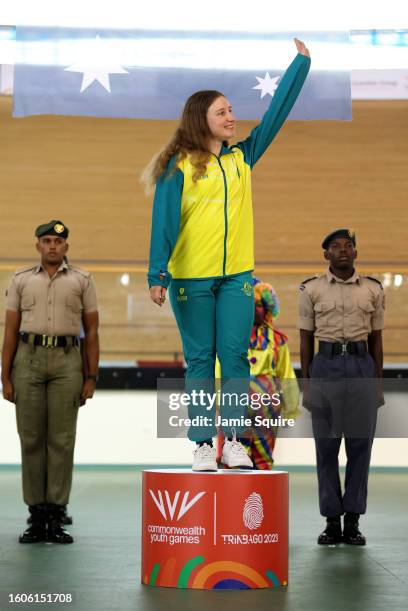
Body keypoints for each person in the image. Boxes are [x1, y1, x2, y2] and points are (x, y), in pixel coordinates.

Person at [145, 38, 311, 471]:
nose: (232, 117)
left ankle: (233, 440)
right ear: (201, 119)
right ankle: (202, 443)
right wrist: (157, 274)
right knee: (200, 359)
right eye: (222, 112)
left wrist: (300, 65)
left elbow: (275, 115)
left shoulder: (242, 159)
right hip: (190, 280)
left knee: (234, 357)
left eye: (232, 110)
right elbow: (163, 221)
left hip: (237, 278)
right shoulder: (177, 165)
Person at [1, 220, 99, 544]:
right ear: (38, 246)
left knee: (61, 439)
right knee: (30, 438)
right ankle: (36, 514)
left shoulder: (83, 280)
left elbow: (93, 333)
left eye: (58, 241)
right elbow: (10, 331)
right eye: (47, 240)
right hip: (27, 361)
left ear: (66, 247)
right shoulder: (20, 280)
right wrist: (5, 376)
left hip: (67, 363)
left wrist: (90, 376)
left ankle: (56, 512)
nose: (53, 246)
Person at [298, 229, 384, 546]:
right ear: (326, 255)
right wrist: (307, 385)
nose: (343, 250)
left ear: (356, 254)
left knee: (361, 449)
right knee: (327, 448)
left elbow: (377, 339)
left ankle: (353, 522)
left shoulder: (373, 289)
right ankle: (332, 522)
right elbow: (305, 339)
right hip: (325, 367)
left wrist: (378, 384)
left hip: (362, 368)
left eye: (349, 246)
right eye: (336, 246)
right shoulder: (311, 289)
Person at [216, 278, 300, 468]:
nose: (255, 309)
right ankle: (235, 497)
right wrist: (219, 401)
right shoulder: (228, 339)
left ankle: (262, 497)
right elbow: (218, 371)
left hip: (267, 409)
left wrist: (291, 409)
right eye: (249, 304)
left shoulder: (277, 341)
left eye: (260, 305)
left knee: (264, 459)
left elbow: (286, 374)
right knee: (233, 459)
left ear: (268, 308)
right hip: (236, 405)